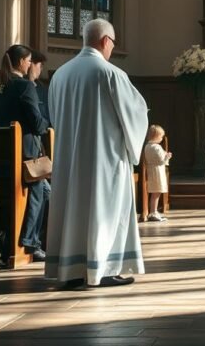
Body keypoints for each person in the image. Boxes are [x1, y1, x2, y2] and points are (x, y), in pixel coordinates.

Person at [46, 19, 148, 289]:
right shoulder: (110, 73)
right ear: (105, 41)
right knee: (106, 209)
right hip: (105, 160)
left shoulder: (60, 74)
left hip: (69, 158)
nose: (112, 49)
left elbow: (54, 118)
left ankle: (71, 269)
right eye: (113, 43)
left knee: (72, 209)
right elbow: (136, 114)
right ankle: (103, 268)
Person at [0, 44, 51, 261]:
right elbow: (36, 122)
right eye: (28, 60)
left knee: (46, 193)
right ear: (20, 62)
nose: (29, 64)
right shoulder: (25, 86)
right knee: (39, 192)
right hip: (25, 155)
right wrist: (49, 125)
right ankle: (28, 243)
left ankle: (18, 240)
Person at [143, 125, 172, 222]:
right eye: (161, 137)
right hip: (158, 171)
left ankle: (153, 211)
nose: (161, 139)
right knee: (157, 192)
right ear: (156, 136)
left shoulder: (147, 146)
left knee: (155, 192)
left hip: (151, 170)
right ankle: (153, 212)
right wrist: (167, 156)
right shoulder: (156, 147)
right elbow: (161, 160)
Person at [28, 50, 50, 125]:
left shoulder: (42, 89)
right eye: (41, 65)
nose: (41, 69)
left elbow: (47, 116)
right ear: (31, 64)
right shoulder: (21, 86)